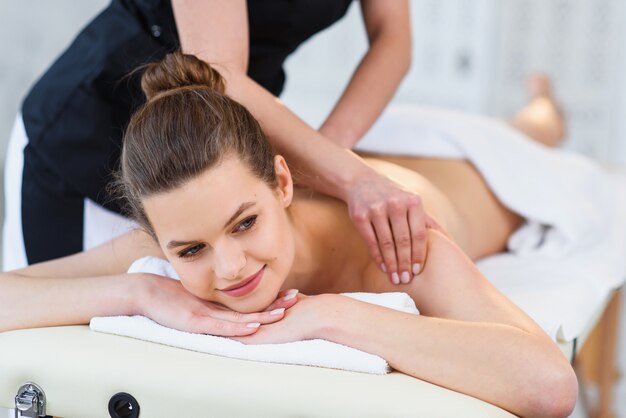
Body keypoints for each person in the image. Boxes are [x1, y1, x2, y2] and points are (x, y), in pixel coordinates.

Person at [0, 53, 577, 418]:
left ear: (282, 182)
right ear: (157, 239)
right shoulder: (166, 246)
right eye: (191, 250)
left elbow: (551, 386)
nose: (229, 269)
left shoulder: (398, 245)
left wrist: (334, 316)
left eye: (244, 224)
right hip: (364, 152)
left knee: (530, 134)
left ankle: (542, 106)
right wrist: (139, 292)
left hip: (473, 179)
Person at [4, 0, 429, 288]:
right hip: (89, 141)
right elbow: (219, 72)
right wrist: (352, 178)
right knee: (53, 351)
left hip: (215, 159)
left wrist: (331, 160)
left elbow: (393, 37)